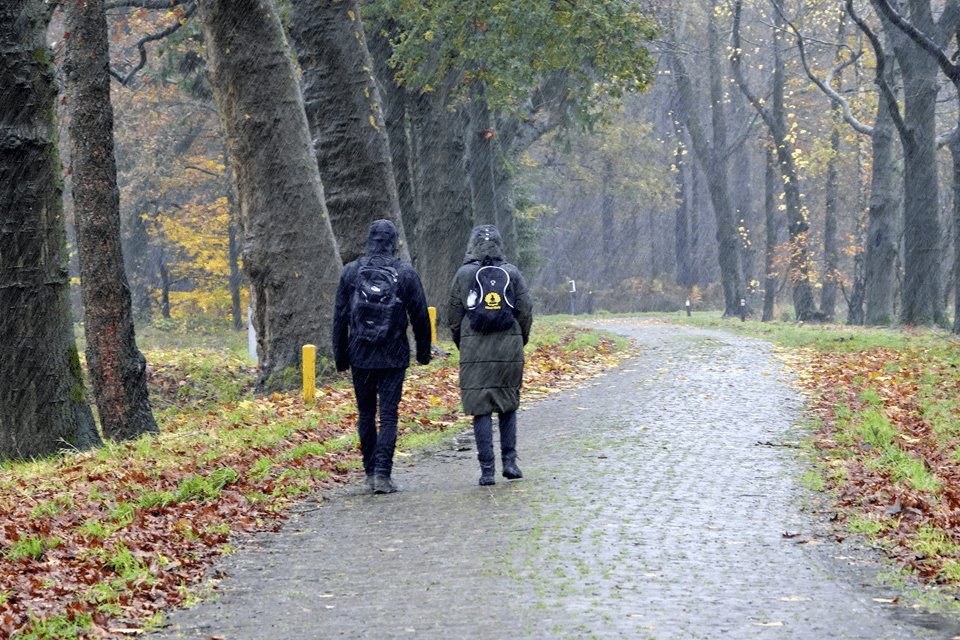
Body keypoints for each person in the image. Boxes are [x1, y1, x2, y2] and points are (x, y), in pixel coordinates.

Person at [333, 219, 431, 494]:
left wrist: (340, 356)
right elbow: (421, 316)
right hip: (393, 354)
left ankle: (368, 471)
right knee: (388, 415)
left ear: (369, 240)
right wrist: (423, 352)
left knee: (365, 413)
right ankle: (382, 475)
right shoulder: (405, 273)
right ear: (394, 242)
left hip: (360, 354)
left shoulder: (351, 272)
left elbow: (340, 318)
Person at [448, 225, 533, 486]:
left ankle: (487, 470)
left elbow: (453, 316)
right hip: (509, 346)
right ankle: (510, 462)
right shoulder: (512, 273)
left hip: (474, 348)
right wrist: (520, 340)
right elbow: (525, 311)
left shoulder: (463, 274)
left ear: (472, 244)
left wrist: (463, 343)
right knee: (507, 404)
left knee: (480, 408)